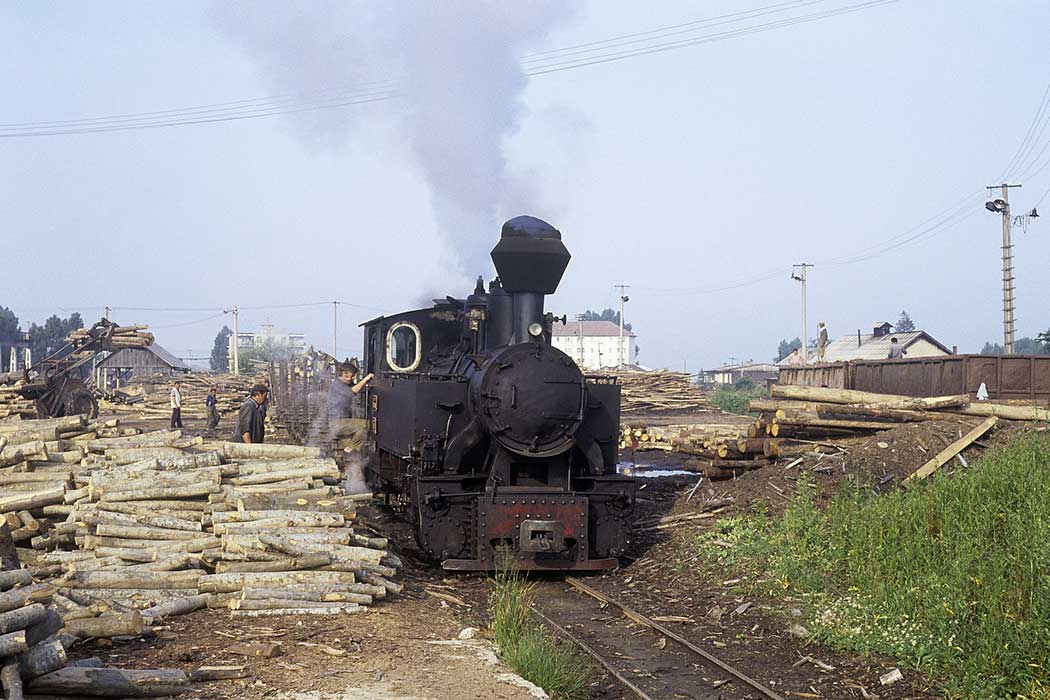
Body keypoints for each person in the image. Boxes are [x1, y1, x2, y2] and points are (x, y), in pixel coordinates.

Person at [327, 360, 373, 451]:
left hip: (344, 422)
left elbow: (359, 388)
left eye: (352, 377)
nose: (350, 379)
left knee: (353, 454)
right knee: (368, 425)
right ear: (343, 374)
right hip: (338, 423)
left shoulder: (346, 384)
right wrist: (366, 379)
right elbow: (352, 392)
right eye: (348, 376)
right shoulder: (337, 384)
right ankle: (351, 447)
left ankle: (352, 457)